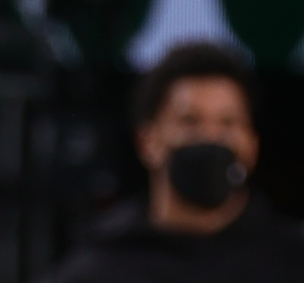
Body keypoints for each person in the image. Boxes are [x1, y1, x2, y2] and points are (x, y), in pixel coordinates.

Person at [40, 43, 304, 282]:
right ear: (148, 142)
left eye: (228, 123)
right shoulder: (98, 270)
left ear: (252, 146)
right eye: (190, 121)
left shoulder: (291, 261)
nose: (211, 137)